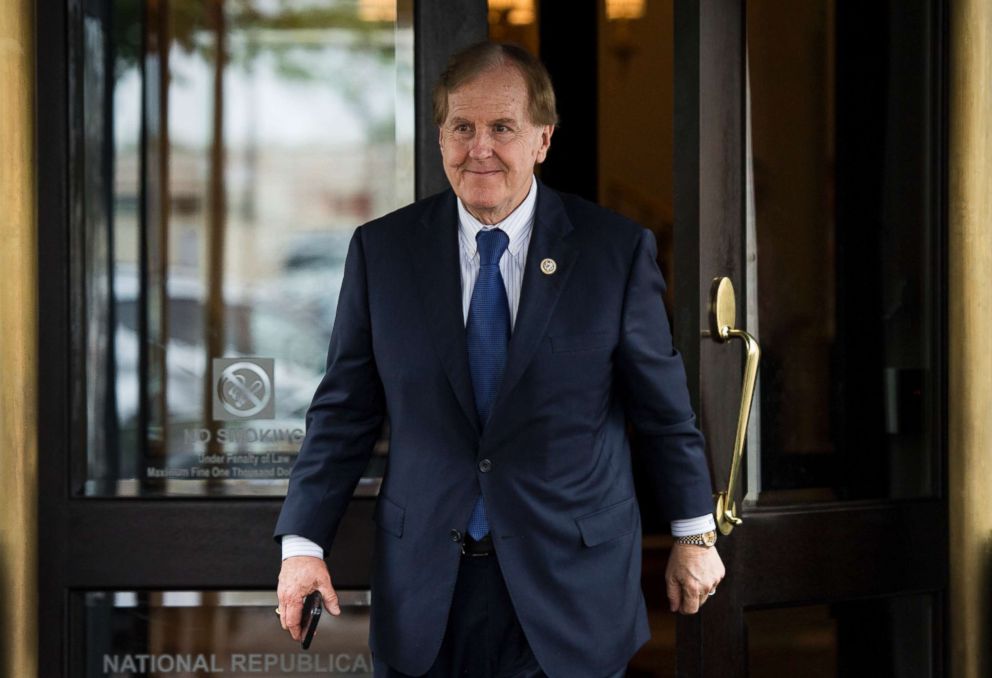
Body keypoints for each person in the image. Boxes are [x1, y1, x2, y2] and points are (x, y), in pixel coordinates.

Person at [274, 41, 724, 678]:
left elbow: (662, 410)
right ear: (440, 136)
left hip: (569, 585)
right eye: (463, 127)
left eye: (502, 128)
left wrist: (692, 533)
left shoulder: (612, 253)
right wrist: (302, 544)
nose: (479, 148)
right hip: (428, 589)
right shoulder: (384, 252)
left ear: (542, 139)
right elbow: (344, 411)